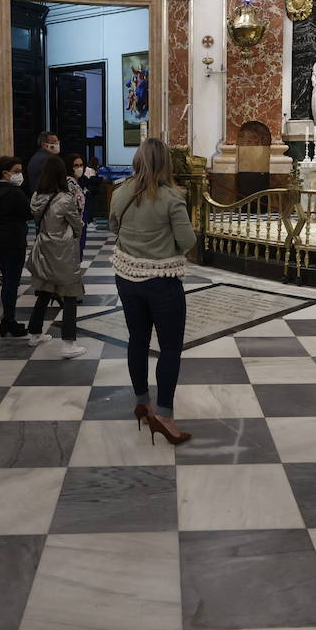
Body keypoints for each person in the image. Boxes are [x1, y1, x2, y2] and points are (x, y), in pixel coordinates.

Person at [109, 137, 197, 445]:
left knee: (137, 340)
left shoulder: (119, 193)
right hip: (161, 280)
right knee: (170, 348)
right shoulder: (172, 198)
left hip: (127, 277)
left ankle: (143, 403)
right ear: (166, 164)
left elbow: (113, 229)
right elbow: (188, 241)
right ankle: (164, 415)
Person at [27, 156, 87, 358]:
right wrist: (76, 234)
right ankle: (68, 344)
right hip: (62, 249)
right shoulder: (64, 198)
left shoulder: (37, 196)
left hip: (44, 245)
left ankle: (35, 333)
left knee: (44, 289)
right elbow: (77, 224)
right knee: (70, 293)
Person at [0, 156, 31, 337]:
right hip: (13, 240)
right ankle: (9, 320)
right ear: (5, 173)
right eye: (16, 171)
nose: (20, 175)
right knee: (12, 282)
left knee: (7, 280)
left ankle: (8, 319)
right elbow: (28, 213)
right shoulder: (13, 192)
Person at [67, 152, 100, 257]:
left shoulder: (82, 180)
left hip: (82, 220)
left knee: (80, 250)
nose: (79, 168)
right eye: (76, 166)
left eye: (81, 165)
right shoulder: (68, 183)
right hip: (72, 223)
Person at [25, 131, 59, 198]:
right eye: (54, 143)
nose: (57, 145)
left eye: (57, 142)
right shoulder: (47, 159)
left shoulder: (36, 156)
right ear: (44, 145)